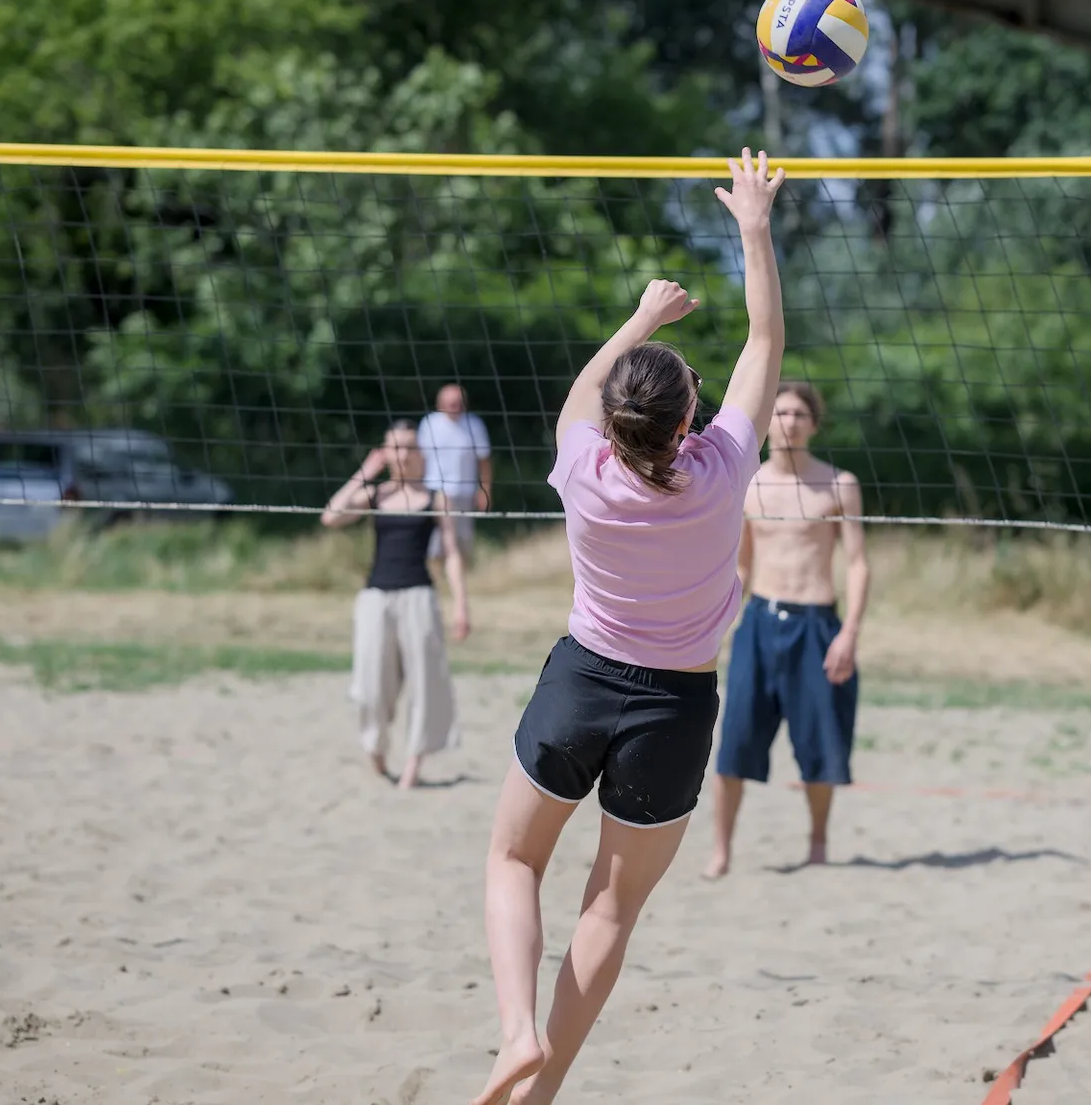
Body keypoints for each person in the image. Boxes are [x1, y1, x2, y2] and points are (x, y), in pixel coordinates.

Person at [471, 149, 785, 1105]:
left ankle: (515, 1031)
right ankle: (543, 1085)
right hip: (677, 706)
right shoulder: (725, 469)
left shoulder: (582, 470)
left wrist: (644, 315)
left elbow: (588, 388)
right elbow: (764, 346)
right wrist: (754, 230)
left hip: (581, 683)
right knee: (609, 907)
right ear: (692, 417)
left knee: (513, 860)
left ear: (611, 426)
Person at [704, 380, 869, 877]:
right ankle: (722, 852)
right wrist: (714, 623)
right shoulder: (749, 483)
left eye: (799, 413)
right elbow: (743, 566)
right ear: (767, 422)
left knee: (820, 745)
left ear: (813, 424)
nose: (789, 422)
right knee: (734, 743)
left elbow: (858, 563)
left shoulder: (839, 484)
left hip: (817, 623)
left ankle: (818, 843)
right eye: (780, 413)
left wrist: (850, 633)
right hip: (759, 623)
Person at [321, 421, 471, 790]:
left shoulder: (436, 497)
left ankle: (412, 765)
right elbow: (331, 516)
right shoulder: (376, 494)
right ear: (386, 454)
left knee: (424, 684)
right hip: (375, 597)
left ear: (419, 454)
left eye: (408, 447)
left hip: (419, 596)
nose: (402, 454)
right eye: (395, 448)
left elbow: (451, 553)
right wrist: (365, 472)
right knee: (371, 686)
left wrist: (461, 606)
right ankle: (375, 749)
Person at [416, 383, 493, 565]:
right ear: (440, 403)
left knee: (463, 541)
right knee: (435, 543)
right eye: (451, 403)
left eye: (459, 403)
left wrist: (485, 490)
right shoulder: (429, 424)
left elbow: (484, 461)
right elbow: (420, 460)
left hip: (464, 492)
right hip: (435, 491)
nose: (455, 407)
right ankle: (437, 582)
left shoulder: (474, 424)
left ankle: (462, 579)